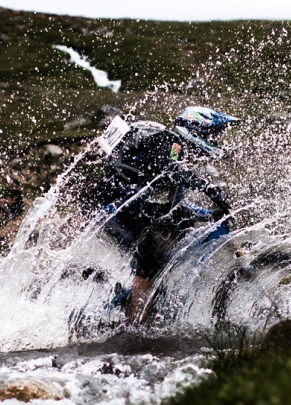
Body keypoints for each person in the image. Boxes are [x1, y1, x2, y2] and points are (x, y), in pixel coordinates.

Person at [79, 106, 241, 323]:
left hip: (119, 211)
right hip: (111, 211)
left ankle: (142, 304)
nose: (216, 139)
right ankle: (135, 326)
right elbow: (174, 173)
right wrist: (208, 187)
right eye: (213, 134)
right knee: (152, 255)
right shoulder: (170, 143)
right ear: (197, 130)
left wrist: (210, 215)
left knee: (170, 235)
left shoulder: (174, 157)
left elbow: (180, 205)